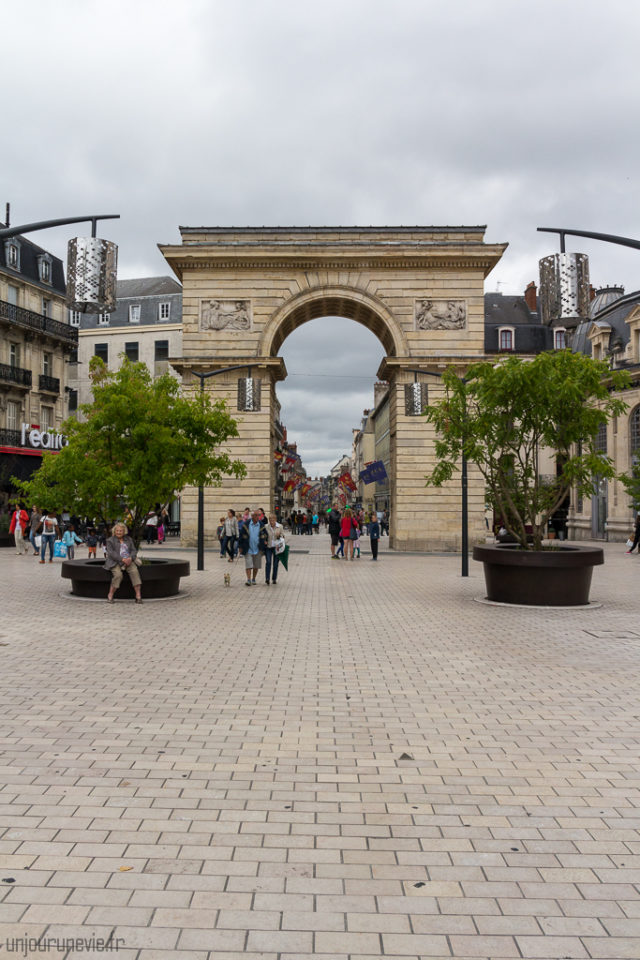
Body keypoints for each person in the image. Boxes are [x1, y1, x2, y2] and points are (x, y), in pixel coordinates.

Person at [105, 522, 142, 603]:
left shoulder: (129, 539)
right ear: (114, 531)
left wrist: (130, 558)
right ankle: (110, 595)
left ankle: (138, 596)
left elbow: (133, 550)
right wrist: (122, 559)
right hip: (115, 562)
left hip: (128, 561)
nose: (118, 532)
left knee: (135, 572)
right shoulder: (110, 540)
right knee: (118, 575)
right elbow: (111, 553)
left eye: (120, 531)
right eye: (117, 531)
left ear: (124, 531)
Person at [239, 509, 263, 586]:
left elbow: (265, 535)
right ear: (252, 516)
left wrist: (264, 543)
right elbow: (241, 536)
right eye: (256, 515)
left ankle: (253, 579)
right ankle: (248, 579)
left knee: (256, 565)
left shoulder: (261, 524)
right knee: (248, 564)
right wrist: (240, 546)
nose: (258, 517)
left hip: (258, 548)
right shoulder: (246, 524)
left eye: (259, 515)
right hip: (248, 548)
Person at [261, 513, 284, 585]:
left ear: (275, 520)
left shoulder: (280, 526)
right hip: (269, 546)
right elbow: (263, 534)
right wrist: (264, 539)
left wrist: (279, 535)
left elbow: (283, 536)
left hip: (277, 547)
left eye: (273, 520)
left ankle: (274, 578)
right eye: (270, 520)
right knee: (268, 562)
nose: (271, 522)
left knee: (275, 563)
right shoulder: (266, 526)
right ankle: (267, 578)